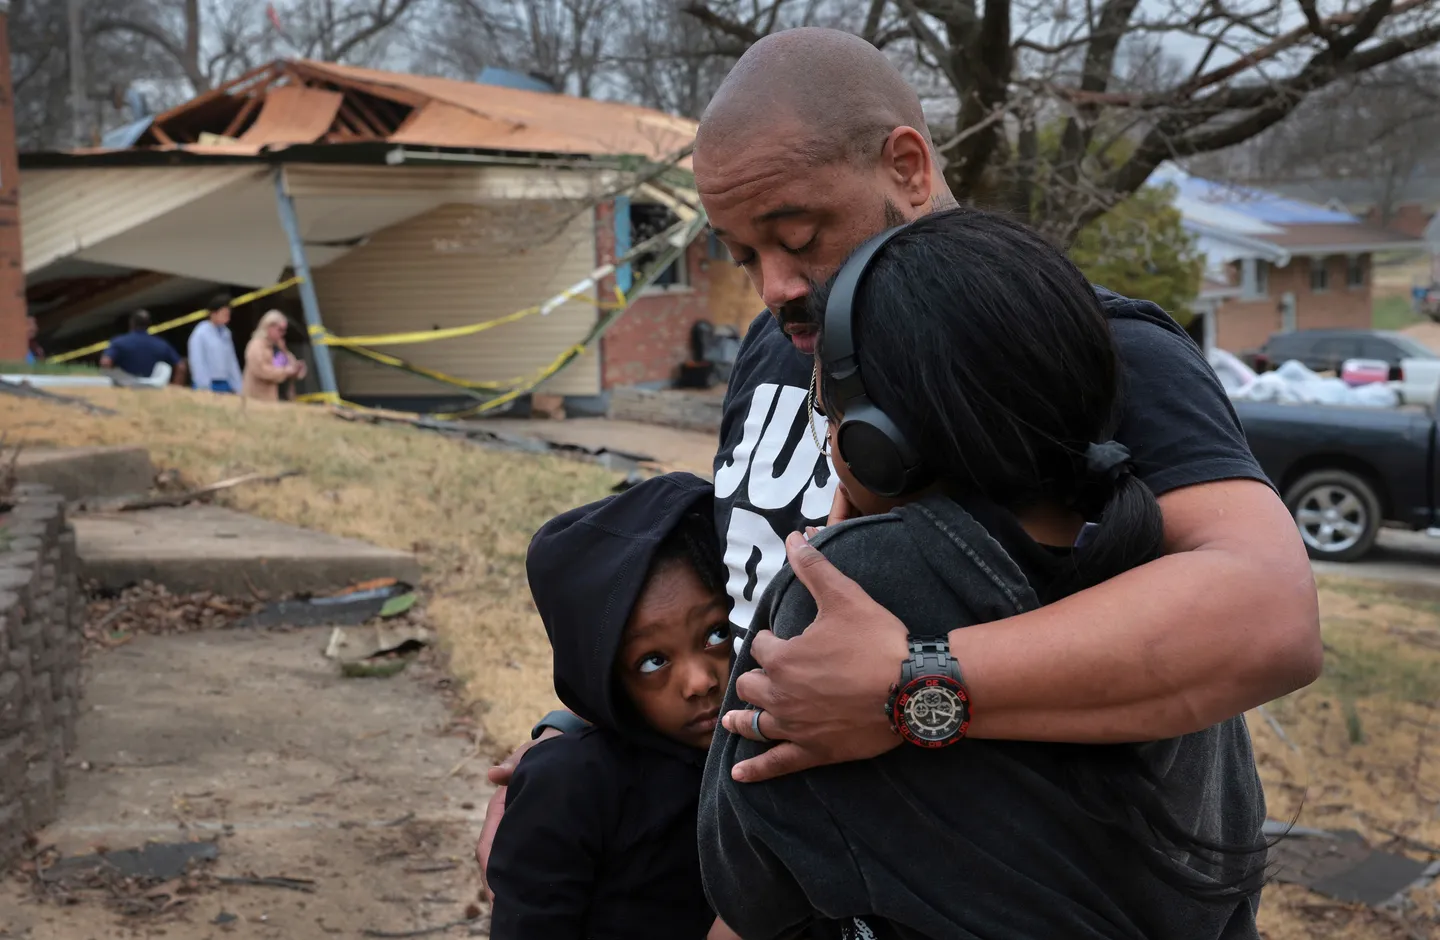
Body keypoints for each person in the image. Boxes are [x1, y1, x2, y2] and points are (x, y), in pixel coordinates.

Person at [479, 26, 1319, 883]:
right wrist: (586, 730)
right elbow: (748, 579)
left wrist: (913, 688)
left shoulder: (1088, 348)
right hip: (785, 887)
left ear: (909, 168)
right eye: (743, 256)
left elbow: (1268, 615)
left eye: (798, 235)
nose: (774, 287)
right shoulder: (784, 345)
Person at [701, 209, 1267, 940]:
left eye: (825, 411)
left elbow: (743, 874)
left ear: (879, 441)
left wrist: (834, 567)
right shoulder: (1166, 576)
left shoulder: (852, 579)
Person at [486, 472, 736, 940]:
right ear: (603, 679)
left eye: (716, 633)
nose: (700, 681)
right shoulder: (571, 785)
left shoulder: (764, 753)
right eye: (652, 661)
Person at [242, 310, 307, 401]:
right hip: (259, 398)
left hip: (279, 397)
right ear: (269, 327)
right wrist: (285, 372)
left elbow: (289, 365)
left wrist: (296, 368)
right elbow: (261, 370)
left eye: (284, 331)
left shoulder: (278, 346)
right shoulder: (256, 345)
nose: (282, 334)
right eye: (280, 330)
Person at [99, 310, 181, 381]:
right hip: (152, 390)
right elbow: (181, 366)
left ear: (131, 323)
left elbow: (106, 363)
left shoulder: (119, 342)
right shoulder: (162, 345)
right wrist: (175, 389)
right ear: (149, 324)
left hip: (126, 389)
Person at [188, 293, 243, 394]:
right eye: (224, 314)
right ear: (213, 313)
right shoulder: (200, 333)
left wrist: (238, 387)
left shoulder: (226, 333)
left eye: (228, 315)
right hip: (208, 383)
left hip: (224, 383)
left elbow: (231, 361)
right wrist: (203, 386)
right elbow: (197, 361)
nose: (228, 318)